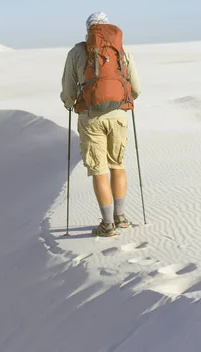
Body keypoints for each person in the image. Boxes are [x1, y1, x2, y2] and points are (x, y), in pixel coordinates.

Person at [60, 12, 141, 237]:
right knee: (118, 165)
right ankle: (121, 218)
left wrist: (69, 103)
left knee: (99, 169)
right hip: (119, 116)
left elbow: (68, 90)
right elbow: (136, 88)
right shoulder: (121, 51)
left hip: (91, 117)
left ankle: (107, 225)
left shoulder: (77, 52)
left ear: (88, 30)